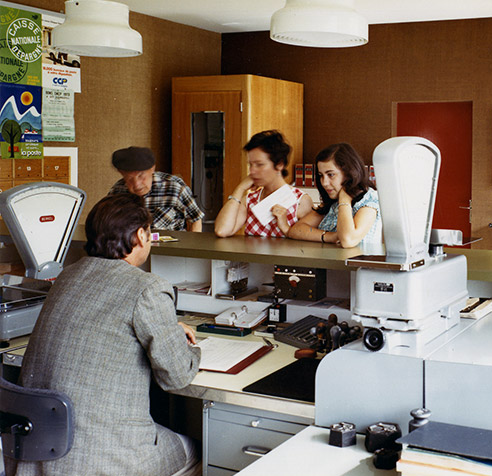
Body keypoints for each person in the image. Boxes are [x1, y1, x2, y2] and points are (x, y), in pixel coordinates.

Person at [6, 194, 202, 476]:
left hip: (38, 454)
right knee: (196, 451)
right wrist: (190, 346)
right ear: (140, 236)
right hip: (106, 458)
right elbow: (177, 376)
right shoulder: (147, 287)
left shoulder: (67, 276)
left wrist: (167, 330)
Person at [214, 130, 313, 238]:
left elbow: (308, 245)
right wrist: (240, 188)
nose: (252, 171)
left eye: (259, 165)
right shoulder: (250, 199)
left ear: (279, 164)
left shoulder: (300, 200)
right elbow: (222, 230)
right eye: (250, 165)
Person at [287, 143, 381, 248]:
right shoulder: (332, 201)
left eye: (331, 175)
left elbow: (347, 240)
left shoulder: (369, 200)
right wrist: (328, 237)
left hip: (355, 264)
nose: (324, 183)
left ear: (349, 173)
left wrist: (344, 200)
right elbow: (296, 230)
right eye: (321, 175)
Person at [109, 146, 204, 232]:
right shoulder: (117, 191)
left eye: (141, 176)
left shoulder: (174, 187)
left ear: (152, 169)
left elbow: (196, 218)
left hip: (170, 249)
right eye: (129, 178)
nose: (137, 184)